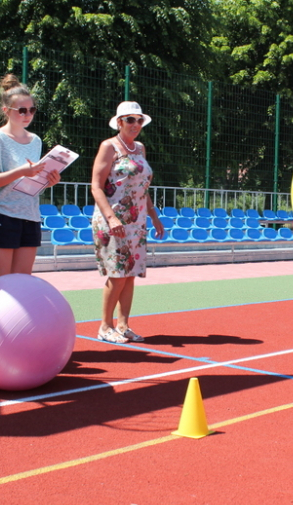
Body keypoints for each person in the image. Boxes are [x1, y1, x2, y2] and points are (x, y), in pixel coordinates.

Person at [91, 101, 164, 344]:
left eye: (139, 120)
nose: (135, 124)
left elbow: (143, 186)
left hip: (137, 220)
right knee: (118, 273)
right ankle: (105, 326)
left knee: (131, 274)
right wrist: (111, 218)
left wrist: (153, 215)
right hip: (113, 219)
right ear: (119, 122)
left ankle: (123, 325)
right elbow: (96, 186)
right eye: (130, 119)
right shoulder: (108, 147)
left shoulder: (140, 148)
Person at [0, 74, 61, 278]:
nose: (27, 114)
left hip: (30, 216)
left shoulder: (36, 141)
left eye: (31, 110)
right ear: (6, 111)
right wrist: (21, 171)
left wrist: (47, 182)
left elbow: (30, 180)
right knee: (1, 282)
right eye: (22, 110)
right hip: (1, 214)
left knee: (23, 281)